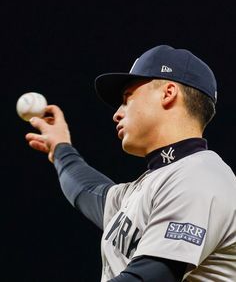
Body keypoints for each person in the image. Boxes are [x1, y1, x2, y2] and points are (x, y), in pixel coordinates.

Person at [25, 44, 236, 281]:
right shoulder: (160, 181)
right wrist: (61, 147)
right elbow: (88, 191)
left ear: (168, 93)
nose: (117, 113)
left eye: (127, 99)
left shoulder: (200, 178)